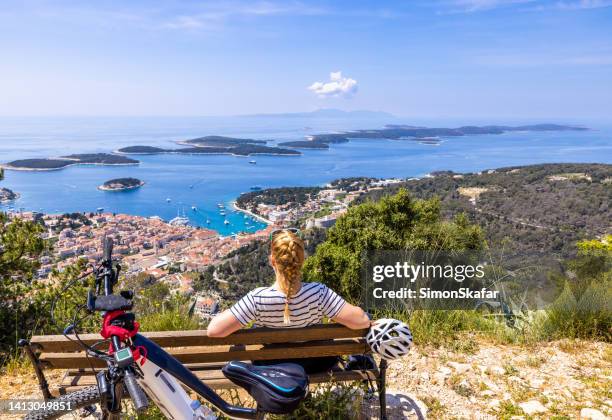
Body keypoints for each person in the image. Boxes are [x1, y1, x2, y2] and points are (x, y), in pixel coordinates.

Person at [207, 228, 371, 372]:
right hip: (317, 364)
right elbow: (361, 320)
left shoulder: (257, 299)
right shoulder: (319, 293)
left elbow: (214, 330)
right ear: (302, 261)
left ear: (272, 261)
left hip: (272, 368)